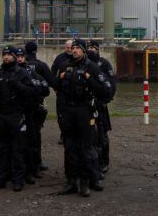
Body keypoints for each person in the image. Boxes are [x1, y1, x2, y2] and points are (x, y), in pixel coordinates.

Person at [54, 38, 110, 197]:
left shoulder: (91, 67)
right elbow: (56, 87)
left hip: (85, 110)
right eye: (73, 48)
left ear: (84, 51)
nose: (74, 50)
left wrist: (88, 78)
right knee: (69, 147)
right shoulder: (65, 66)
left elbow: (104, 90)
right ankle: (71, 181)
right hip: (68, 110)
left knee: (86, 147)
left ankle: (85, 183)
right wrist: (60, 78)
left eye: (78, 48)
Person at [0, 46, 39, 191]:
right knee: (2, 149)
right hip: (1, 115)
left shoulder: (22, 73)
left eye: (9, 55)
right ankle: (0, 178)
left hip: (16, 115)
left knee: (18, 149)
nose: (6, 57)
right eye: (4, 55)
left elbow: (33, 92)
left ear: (15, 57)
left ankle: (18, 180)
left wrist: (18, 85)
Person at [17, 42, 52, 180]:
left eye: (21, 56)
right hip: (32, 108)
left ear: (25, 54)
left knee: (25, 139)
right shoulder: (40, 66)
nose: (19, 58)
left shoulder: (28, 71)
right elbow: (50, 83)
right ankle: (34, 166)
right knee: (33, 138)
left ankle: (28, 168)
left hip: (25, 110)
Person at [86, 39, 116, 174]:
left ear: (98, 49)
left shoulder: (104, 63)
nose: (92, 49)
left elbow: (111, 84)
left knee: (102, 135)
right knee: (89, 136)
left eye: (94, 47)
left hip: (100, 105)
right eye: (89, 47)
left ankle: (104, 162)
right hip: (87, 106)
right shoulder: (84, 64)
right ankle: (91, 162)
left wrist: (106, 100)